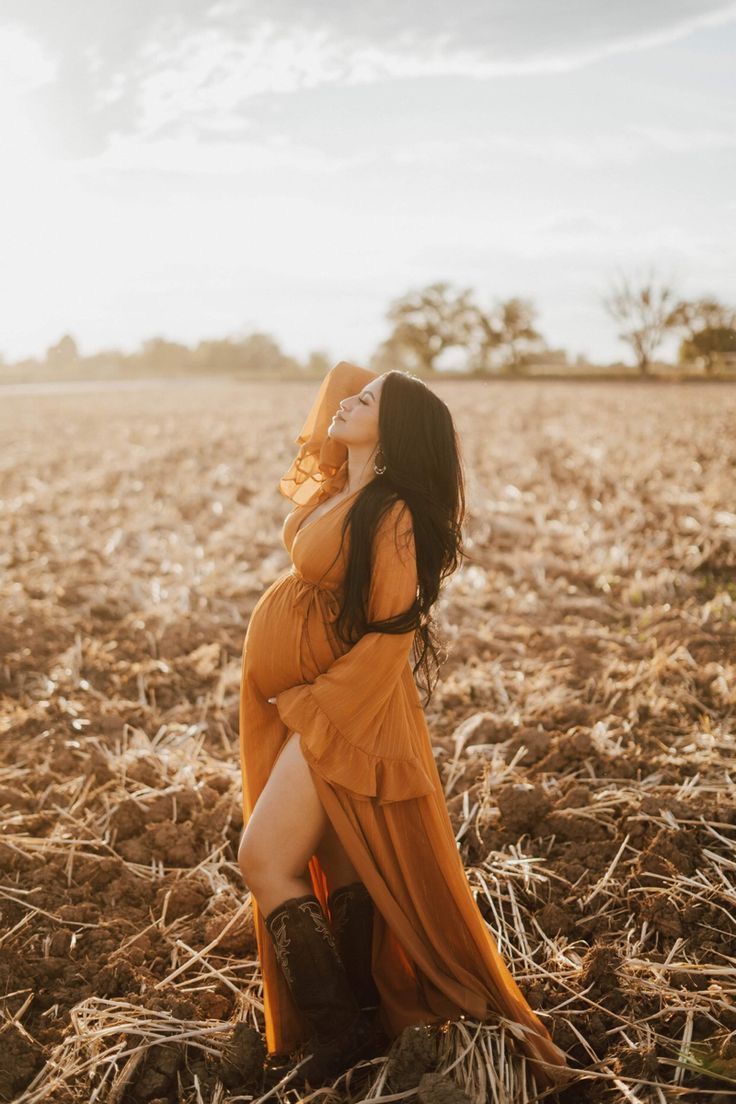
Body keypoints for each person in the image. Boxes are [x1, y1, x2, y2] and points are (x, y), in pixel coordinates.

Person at [237, 360, 571, 1092]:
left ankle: (338, 1031)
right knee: (348, 861)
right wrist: (370, 392)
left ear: (394, 431)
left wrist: (320, 707)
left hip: (347, 710)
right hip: (313, 700)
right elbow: (341, 381)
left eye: (368, 401)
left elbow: (391, 633)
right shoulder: (344, 489)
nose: (347, 400)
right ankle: (357, 1013)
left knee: (264, 858)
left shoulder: (388, 513)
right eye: (352, 396)